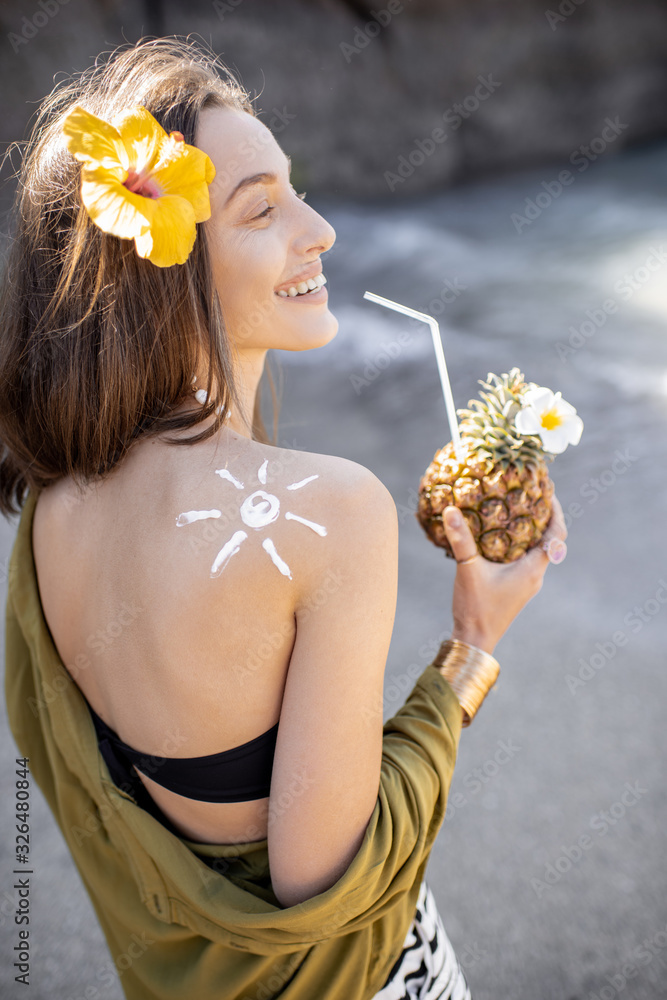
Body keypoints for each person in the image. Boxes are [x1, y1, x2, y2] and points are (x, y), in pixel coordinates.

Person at [1, 36, 568, 1000]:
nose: (320, 230)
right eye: (262, 207)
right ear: (158, 268)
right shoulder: (329, 509)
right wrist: (470, 649)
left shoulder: (52, 511)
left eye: (294, 189)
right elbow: (326, 886)